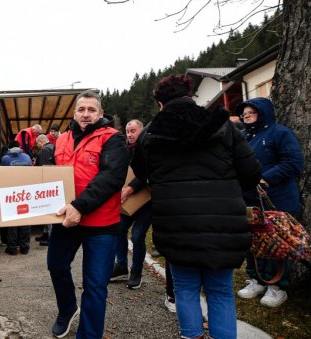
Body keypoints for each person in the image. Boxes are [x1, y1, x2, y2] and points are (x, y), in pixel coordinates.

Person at [132, 75, 261, 339]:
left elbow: (142, 174)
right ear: (191, 96)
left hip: (175, 223)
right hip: (223, 222)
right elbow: (251, 173)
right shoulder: (222, 125)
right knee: (221, 290)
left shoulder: (149, 134)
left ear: (160, 103)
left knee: (185, 289)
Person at [48, 90, 128, 338]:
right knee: (56, 265)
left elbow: (111, 178)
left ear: (100, 113)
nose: (86, 114)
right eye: (81, 109)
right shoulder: (61, 140)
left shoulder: (113, 139)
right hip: (66, 220)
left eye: (91, 110)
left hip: (101, 224)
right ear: (74, 113)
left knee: (95, 286)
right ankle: (68, 309)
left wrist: (79, 207)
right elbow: (52, 177)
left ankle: (89, 334)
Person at [236, 97, 304, 308]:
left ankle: (277, 286)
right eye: (244, 113)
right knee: (253, 240)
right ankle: (256, 279)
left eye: (251, 112)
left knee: (277, 242)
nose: (246, 116)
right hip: (250, 200)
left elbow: (294, 162)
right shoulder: (244, 137)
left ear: (263, 112)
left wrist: (266, 178)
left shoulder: (281, 133)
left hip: (277, 200)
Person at [111, 119, 153, 291]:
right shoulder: (125, 150)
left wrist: (130, 188)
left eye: (133, 130)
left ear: (141, 131)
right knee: (119, 228)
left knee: (137, 236)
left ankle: (136, 272)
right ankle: (121, 266)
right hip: (128, 202)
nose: (129, 134)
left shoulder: (148, 148)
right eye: (127, 131)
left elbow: (148, 171)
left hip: (147, 202)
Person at [0, 140, 33, 255]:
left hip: (11, 193)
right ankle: (25, 248)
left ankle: (12, 248)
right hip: (25, 192)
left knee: (12, 220)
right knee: (25, 219)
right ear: (19, 147)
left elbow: (1, 175)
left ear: (9, 148)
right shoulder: (27, 158)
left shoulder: (5, 159)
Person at [34, 134, 56, 246]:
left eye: (37, 143)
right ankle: (45, 234)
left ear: (41, 141)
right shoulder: (54, 147)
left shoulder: (44, 151)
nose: (37, 145)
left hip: (47, 185)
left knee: (48, 211)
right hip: (55, 183)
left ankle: (50, 239)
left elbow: (44, 169)